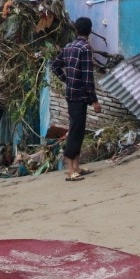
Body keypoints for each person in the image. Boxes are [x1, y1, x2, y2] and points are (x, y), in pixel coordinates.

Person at [51, 17, 102, 182]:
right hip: (79, 95)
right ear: (89, 31)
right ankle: (70, 169)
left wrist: (67, 80)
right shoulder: (85, 48)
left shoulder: (69, 46)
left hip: (71, 94)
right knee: (75, 130)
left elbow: (55, 66)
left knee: (78, 129)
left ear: (76, 30)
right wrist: (94, 100)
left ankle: (77, 166)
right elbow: (88, 78)